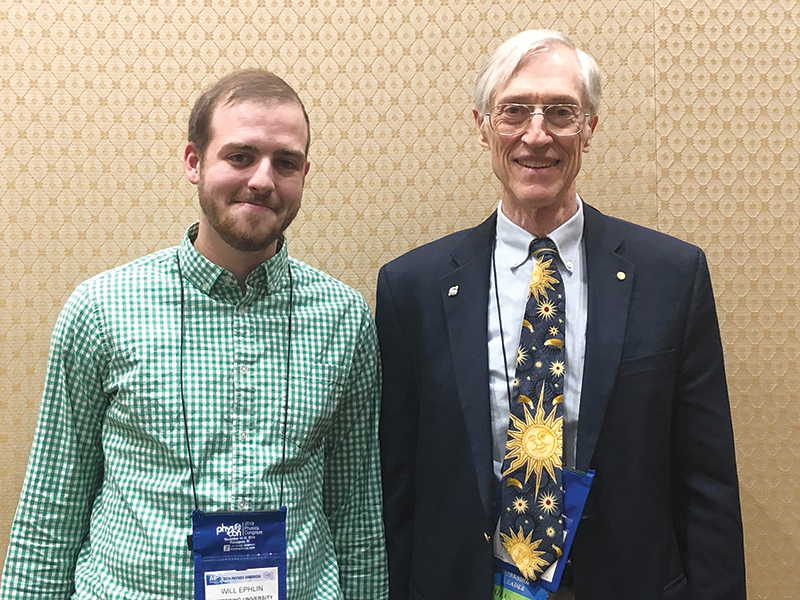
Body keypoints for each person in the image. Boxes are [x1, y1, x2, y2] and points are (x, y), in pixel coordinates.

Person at [376, 30, 745, 600]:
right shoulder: (413, 288)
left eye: (561, 113)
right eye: (514, 111)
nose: (537, 133)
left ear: (590, 128)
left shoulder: (672, 276)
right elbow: (398, 482)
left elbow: (707, 479)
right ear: (481, 125)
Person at [0, 70, 388, 600]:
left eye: (286, 162)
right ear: (193, 162)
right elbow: (52, 506)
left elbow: (356, 510)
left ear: (304, 173)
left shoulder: (345, 317)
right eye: (240, 155)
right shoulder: (101, 308)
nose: (262, 179)